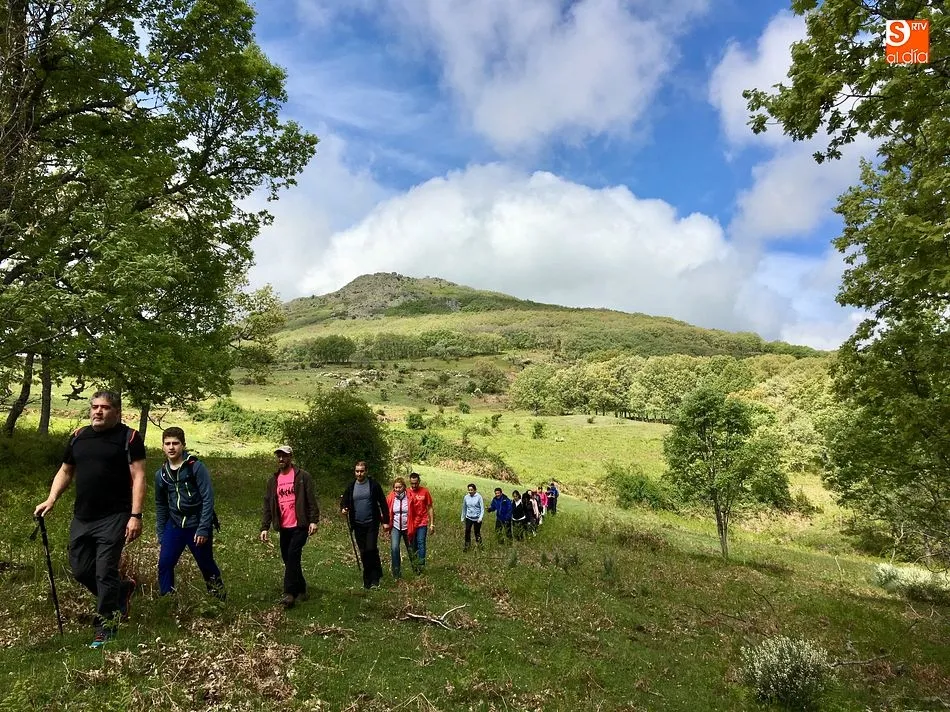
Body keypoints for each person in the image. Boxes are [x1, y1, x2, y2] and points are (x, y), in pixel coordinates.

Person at [33, 390, 146, 647]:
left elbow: (139, 476)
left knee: (105, 570)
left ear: (117, 412)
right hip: (83, 516)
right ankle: (121, 591)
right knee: (82, 570)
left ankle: (106, 627)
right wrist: (51, 499)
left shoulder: (129, 438)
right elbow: (65, 471)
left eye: (104, 407)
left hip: (115, 516)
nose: (98, 411)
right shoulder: (79, 437)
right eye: (94, 406)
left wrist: (135, 515)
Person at [155, 427, 225, 600]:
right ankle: (167, 600)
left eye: (175, 443)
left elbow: (208, 498)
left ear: (183, 445)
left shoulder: (196, 467)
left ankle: (219, 600)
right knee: (165, 563)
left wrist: (203, 528)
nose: (171, 447)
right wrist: (161, 531)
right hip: (175, 525)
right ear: (163, 446)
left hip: (197, 523)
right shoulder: (161, 475)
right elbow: (161, 504)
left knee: (206, 564)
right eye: (167, 443)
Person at [259, 446, 319, 608]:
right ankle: (302, 589)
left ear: (290, 457)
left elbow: (311, 500)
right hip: (284, 526)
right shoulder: (273, 480)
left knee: (292, 555)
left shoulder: (302, 476)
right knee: (289, 559)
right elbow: (268, 504)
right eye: (278, 456)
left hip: (300, 525)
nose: (281, 459)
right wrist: (265, 527)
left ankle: (289, 593)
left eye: (284, 456)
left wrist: (314, 520)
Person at [340, 461, 388, 589]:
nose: (359, 473)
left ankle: (375, 579)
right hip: (358, 524)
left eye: (361, 471)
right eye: (357, 471)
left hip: (372, 522)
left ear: (366, 471)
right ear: (354, 472)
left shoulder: (373, 485)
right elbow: (344, 501)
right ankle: (368, 580)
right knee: (364, 552)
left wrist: (386, 522)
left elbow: (383, 502)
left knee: (371, 549)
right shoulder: (351, 486)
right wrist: (344, 508)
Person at [386, 477, 416, 579]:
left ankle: (416, 570)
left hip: (408, 526)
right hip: (395, 526)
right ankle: (396, 574)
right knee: (394, 548)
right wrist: (385, 523)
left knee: (411, 549)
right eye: (395, 488)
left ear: (404, 487)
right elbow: (386, 511)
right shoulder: (390, 497)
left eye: (400, 487)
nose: (397, 489)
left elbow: (415, 511)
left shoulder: (410, 497)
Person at [406, 472, 434, 570]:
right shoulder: (406, 492)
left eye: (416, 483)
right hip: (410, 523)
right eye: (412, 483)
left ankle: (421, 565)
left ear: (419, 482)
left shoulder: (425, 492)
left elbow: (430, 507)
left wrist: (432, 524)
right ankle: (415, 565)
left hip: (422, 522)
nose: (414, 485)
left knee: (421, 542)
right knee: (412, 545)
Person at [460, 483, 484, 551]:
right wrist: (462, 517)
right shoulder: (466, 497)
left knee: (477, 533)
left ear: (475, 490)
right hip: (469, 517)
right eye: (469, 490)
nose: (470, 491)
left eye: (471, 490)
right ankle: (467, 546)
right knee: (467, 531)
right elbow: (464, 507)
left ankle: (480, 547)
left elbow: (482, 509)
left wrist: (480, 518)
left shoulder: (479, 497)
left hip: (477, 519)